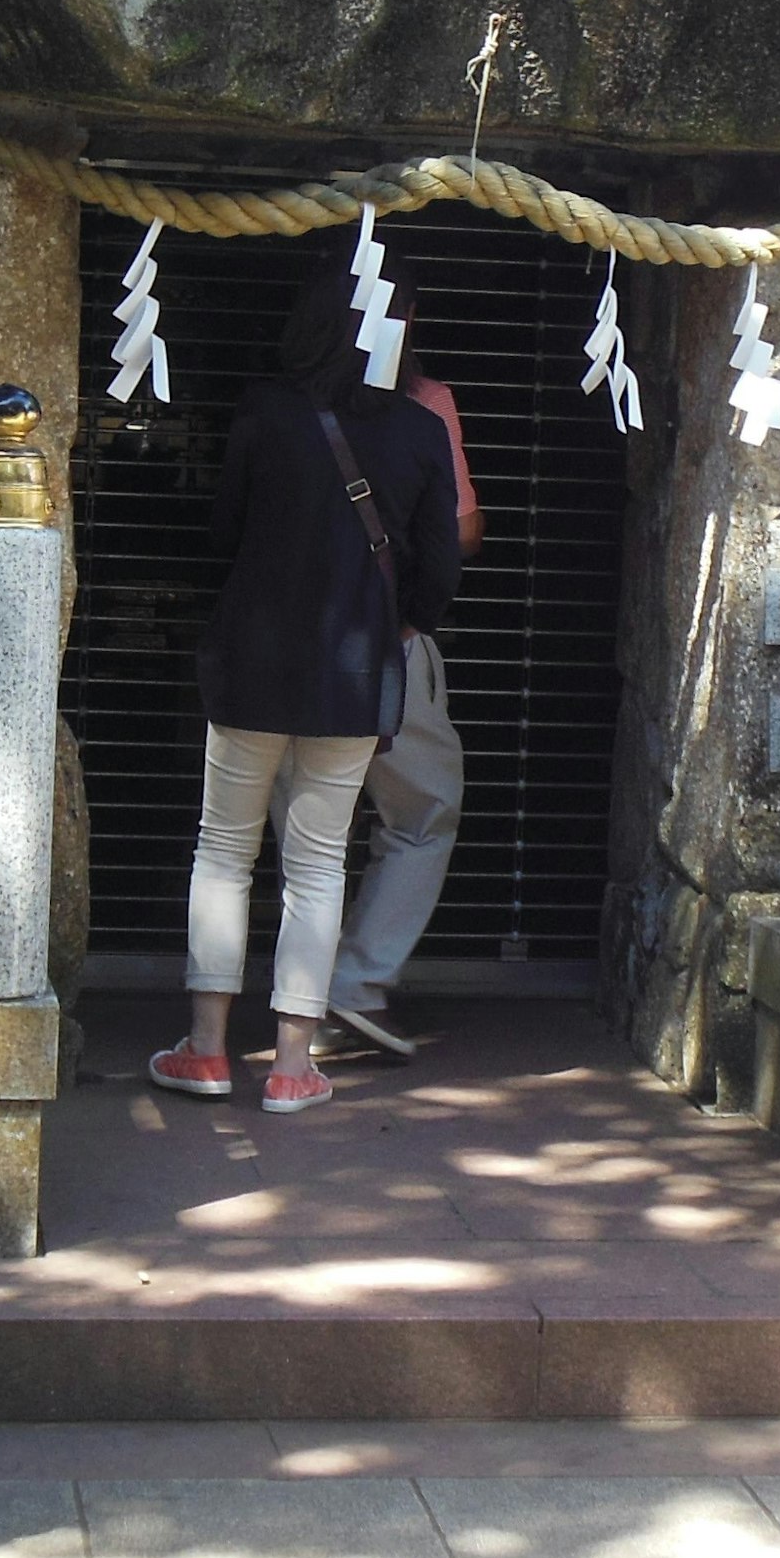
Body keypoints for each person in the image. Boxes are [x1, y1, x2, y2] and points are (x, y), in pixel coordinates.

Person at [150, 260, 460, 1114]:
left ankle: (207, 1051)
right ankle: (292, 1066)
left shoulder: (264, 411)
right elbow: (439, 570)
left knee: (223, 849)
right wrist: (394, 624)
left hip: (252, 662)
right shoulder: (418, 431)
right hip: (355, 675)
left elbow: (224, 532)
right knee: (318, 865)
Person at [313, 286, 484, 1058]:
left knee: (301, 826)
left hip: (294, 641)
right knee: (421, 811)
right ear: (405, 318)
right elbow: (461, 533)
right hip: (394, 638)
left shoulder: (286, 404)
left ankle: (294, 1001)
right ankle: (353, 985)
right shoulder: (425, 404)